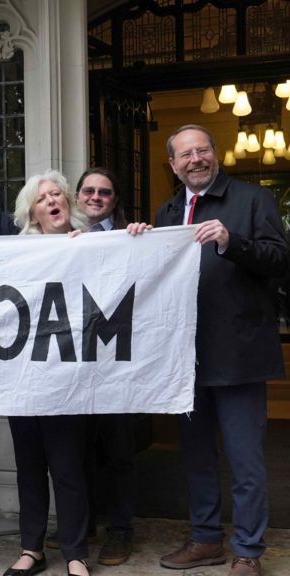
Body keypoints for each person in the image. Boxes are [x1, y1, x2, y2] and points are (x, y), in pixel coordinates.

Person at [0, 141, 138, 566]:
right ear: (32, 213)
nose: (51, 201)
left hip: (69, 380)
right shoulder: (19, 243)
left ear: (68, 202)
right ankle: (31, 549)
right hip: (24, 380)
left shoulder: (94, 243)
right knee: (29, 469)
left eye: (56, 194)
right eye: (41, 198)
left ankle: (75, 554)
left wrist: (137, 237)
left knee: (69, 469)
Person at [154, 125, 287, 576]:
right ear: (172, 165)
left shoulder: (252, 200)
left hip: (240, 355)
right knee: (196, 457)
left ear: (216, 154)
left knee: (245, 460)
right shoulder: (168, 210)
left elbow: (280, 260)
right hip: (185, 360)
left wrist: (232, 242)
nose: (196, 159)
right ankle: (206, 539)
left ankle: (248, 550)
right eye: (185, 154)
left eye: (203, 150)